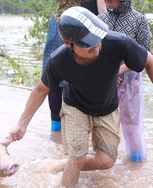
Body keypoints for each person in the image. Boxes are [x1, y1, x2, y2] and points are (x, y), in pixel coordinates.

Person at [9, 6, 153, 188]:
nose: (95, 46)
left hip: (106, 107)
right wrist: (22, 124)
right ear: (68, 44)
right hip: (75, 106)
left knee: (106, 162)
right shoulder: (58, 61)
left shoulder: (118, 43)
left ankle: (58, 165)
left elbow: (150, 62)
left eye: (97, 39)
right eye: (87, 43)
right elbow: (41, 89)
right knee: (77, 158)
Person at [98, 0, 151, 162]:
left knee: (131, 125)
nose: (107, 1)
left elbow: (145, 53)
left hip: (129, 81)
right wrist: (108, 74)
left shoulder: (139, 20)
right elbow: (93, 51)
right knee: (101, 124)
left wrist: (119, 71)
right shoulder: (100, 19)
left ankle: (136, 165)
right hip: (104, 80)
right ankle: (102, 163)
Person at [43, 0, 106, 132]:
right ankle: (59, 131)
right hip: (74, 23)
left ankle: (58, 133)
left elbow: (103, 14)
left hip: (71, 22)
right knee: (57, 72)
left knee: (58, 73)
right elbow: (103, 14)